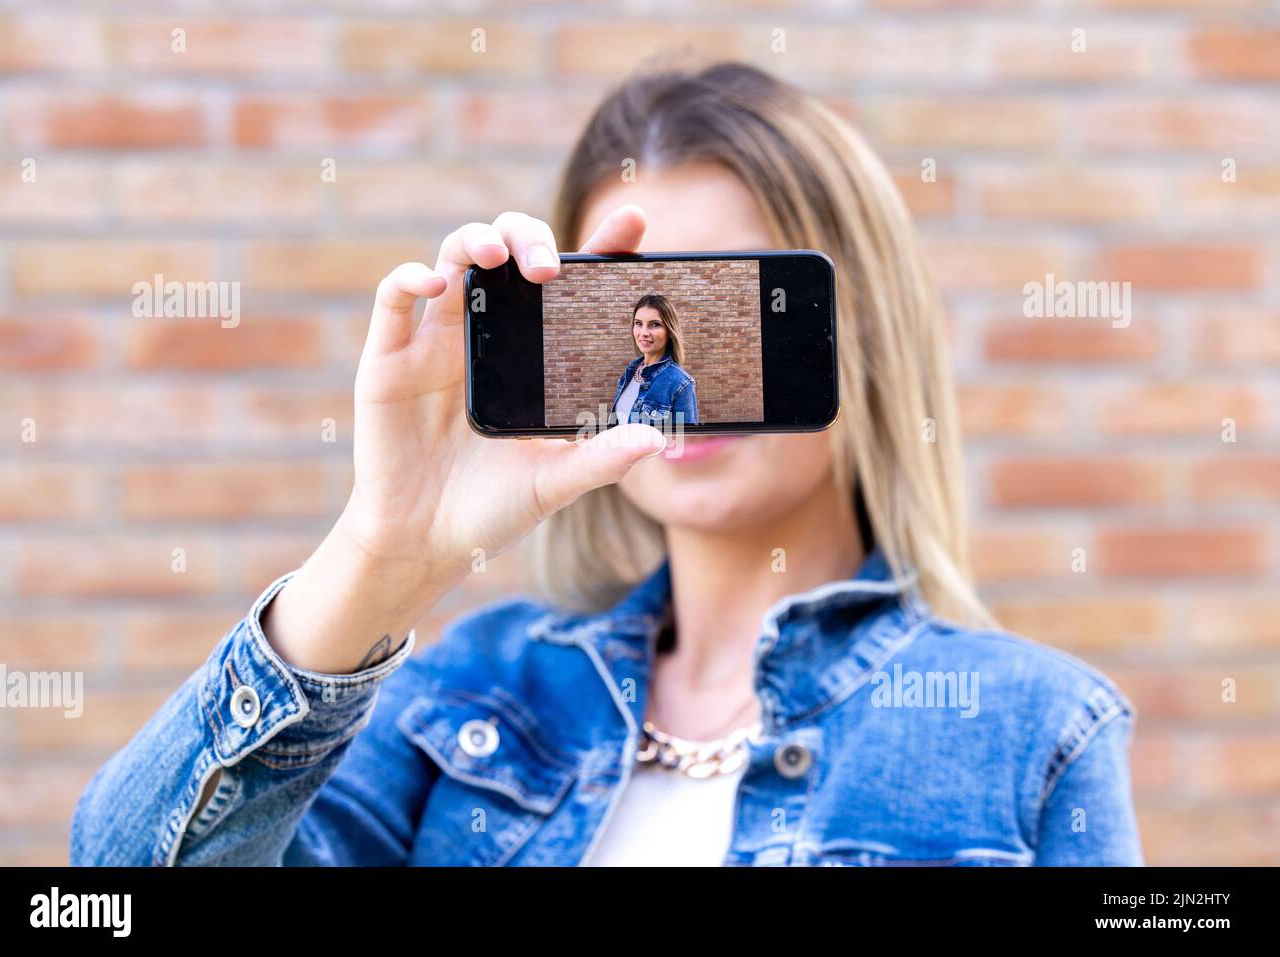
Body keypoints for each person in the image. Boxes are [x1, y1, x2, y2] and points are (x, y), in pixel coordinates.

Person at [70, 61, 1142, 867]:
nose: (676, 353)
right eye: (634, 299)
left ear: (851, 326)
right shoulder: (472, 698)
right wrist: (382, 550)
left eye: (732, 295)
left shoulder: (1032, 728)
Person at [609, 293, 699, 428]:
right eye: (638, 323)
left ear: (669, 331)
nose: (644, 332)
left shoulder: (681, 383)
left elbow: (687, 443)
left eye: (654, 324)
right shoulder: (629, 373)